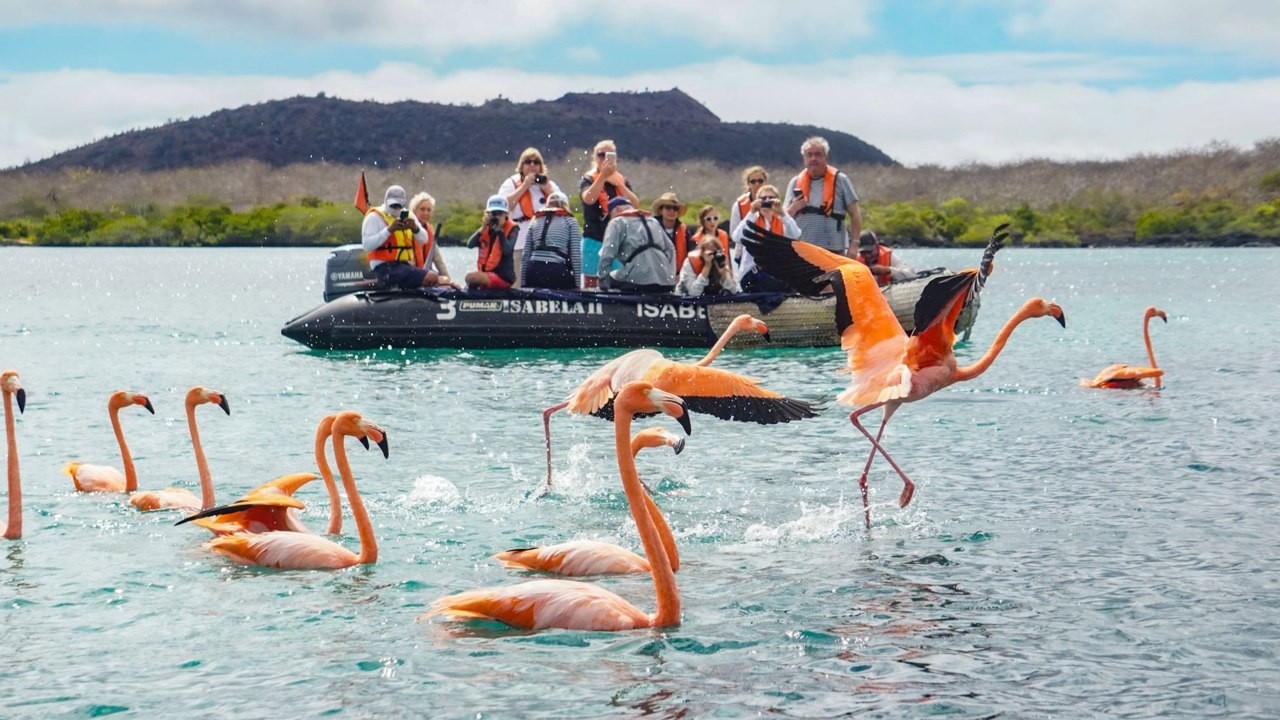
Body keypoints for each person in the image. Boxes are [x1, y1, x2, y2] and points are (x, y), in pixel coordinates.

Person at [361, 184, 453, 289]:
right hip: (384, 268)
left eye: (399, 205)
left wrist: (415, 228)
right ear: (386, 201)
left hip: (404, 266)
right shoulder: (374, 217)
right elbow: (367, 246)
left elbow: (424, 239)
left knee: (442, 281)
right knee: (431, 278)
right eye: (393, 205)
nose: (397, 208)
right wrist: (389, 230)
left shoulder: (408, 215)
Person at [784, 136, 862, 256]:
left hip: (833, 250)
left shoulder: (841, 180)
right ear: (804, 159)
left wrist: (854, 245)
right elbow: (784, 217)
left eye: (818, 154)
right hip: (802, 250)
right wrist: (793, 208)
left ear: (826, 157)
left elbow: (855, 214)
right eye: (809, 155)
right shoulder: (795, 182)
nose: (813, 158)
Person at [579, 139, 640, 289]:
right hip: (594, 238)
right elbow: (589, 198)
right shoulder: (588, 179)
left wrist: (618, 183)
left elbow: (635, 204)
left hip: (618, 242)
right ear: (594, 158)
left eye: (609, 155)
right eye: (601, 155)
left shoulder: (621, 180)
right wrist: (603, 176)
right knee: (591, 284)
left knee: (617, 282)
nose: (604, 158)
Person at [497, 147, 562, 287]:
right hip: (519, 243)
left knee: (542, 283)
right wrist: (524, 186)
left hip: (544, 245)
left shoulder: (548, 184)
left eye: (536, 162)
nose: (532, 165)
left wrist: (548, 190)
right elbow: (503, 208)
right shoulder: (511, 183)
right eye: (528, 162)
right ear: (521, 165)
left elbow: (564, 207)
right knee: (517, 283)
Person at [596, 196, 675, 294]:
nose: (610, 219)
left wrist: (603, 284)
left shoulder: (617, 221)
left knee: (610, 278)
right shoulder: (653, 221)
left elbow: (607, 255)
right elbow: (671, 249)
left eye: (610, 215)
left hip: (637, 282)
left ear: (618, 209)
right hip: (666, 282)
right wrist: (670, 274)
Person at [730, 183, 801, 292]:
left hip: (774, 273)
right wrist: (752, 212)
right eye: (763, 198)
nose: (767, 201)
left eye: (771, 198)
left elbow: (796, 235)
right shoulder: (752, 220)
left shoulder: (782, 223)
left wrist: (782, 212)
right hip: (752, 275)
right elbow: (736, 237)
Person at [521, 191, 583, 290]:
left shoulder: (535, 220)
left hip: (533, 271)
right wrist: (577, 285)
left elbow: (526, 254)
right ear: (565, 205)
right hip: (556, 271)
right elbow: (576, 255)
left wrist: (524, 282)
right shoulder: (570, 221)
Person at [464, 195, 520, 289]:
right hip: (487, 276)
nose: (497, 217)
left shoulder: (513, 228)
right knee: (471, 280)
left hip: (503, 277)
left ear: (506, 214)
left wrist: (500, 232)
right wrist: (483, 227)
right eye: (494, 214)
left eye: (500, 213)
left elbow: (507, 250)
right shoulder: (486, 228)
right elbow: (470, 245)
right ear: (488, 214)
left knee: (470, 277)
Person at [408, 191, 455, 283]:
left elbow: (438, 260)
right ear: (414, 211)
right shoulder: (407, 230)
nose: (426, 213)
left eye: (429, 210)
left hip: (426, 274)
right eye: (422, 209)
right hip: (412, 274)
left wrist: (449, 280)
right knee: (443, 281)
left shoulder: (429, 231)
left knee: (446, 281)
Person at [676, 235, 741, 296]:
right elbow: (693, 293)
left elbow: (733, 291)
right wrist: (707, 267)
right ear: (702, 253)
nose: (713, 257)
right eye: (710, 253)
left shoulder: (719, 261)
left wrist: (723, 275)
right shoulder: (690, 263)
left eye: (715, 253)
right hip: (686, 300)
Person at [688, 205, 735, 279]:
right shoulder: (695, 239)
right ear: (702, 221)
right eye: (708, 219)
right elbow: (692, 265)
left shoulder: (724, 235)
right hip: (703, 275)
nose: (712, 222)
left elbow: (727, 258)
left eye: (715, 218)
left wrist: (731, 277)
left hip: (722, 273)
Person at [652, 191, 691, 277]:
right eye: (668, 207)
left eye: (675, 208)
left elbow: (690, 255)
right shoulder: (651, 228)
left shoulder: (684, 230)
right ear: (661, 210)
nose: (672, 211)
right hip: (655, 275)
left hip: (678, 275)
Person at [728, 165, 768, 238]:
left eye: (760, 181)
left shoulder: (773, 201)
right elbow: (733, 233)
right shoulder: (739, 204)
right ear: (748, 184)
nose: (757, 184)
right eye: (753, 181)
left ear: (765, 182)